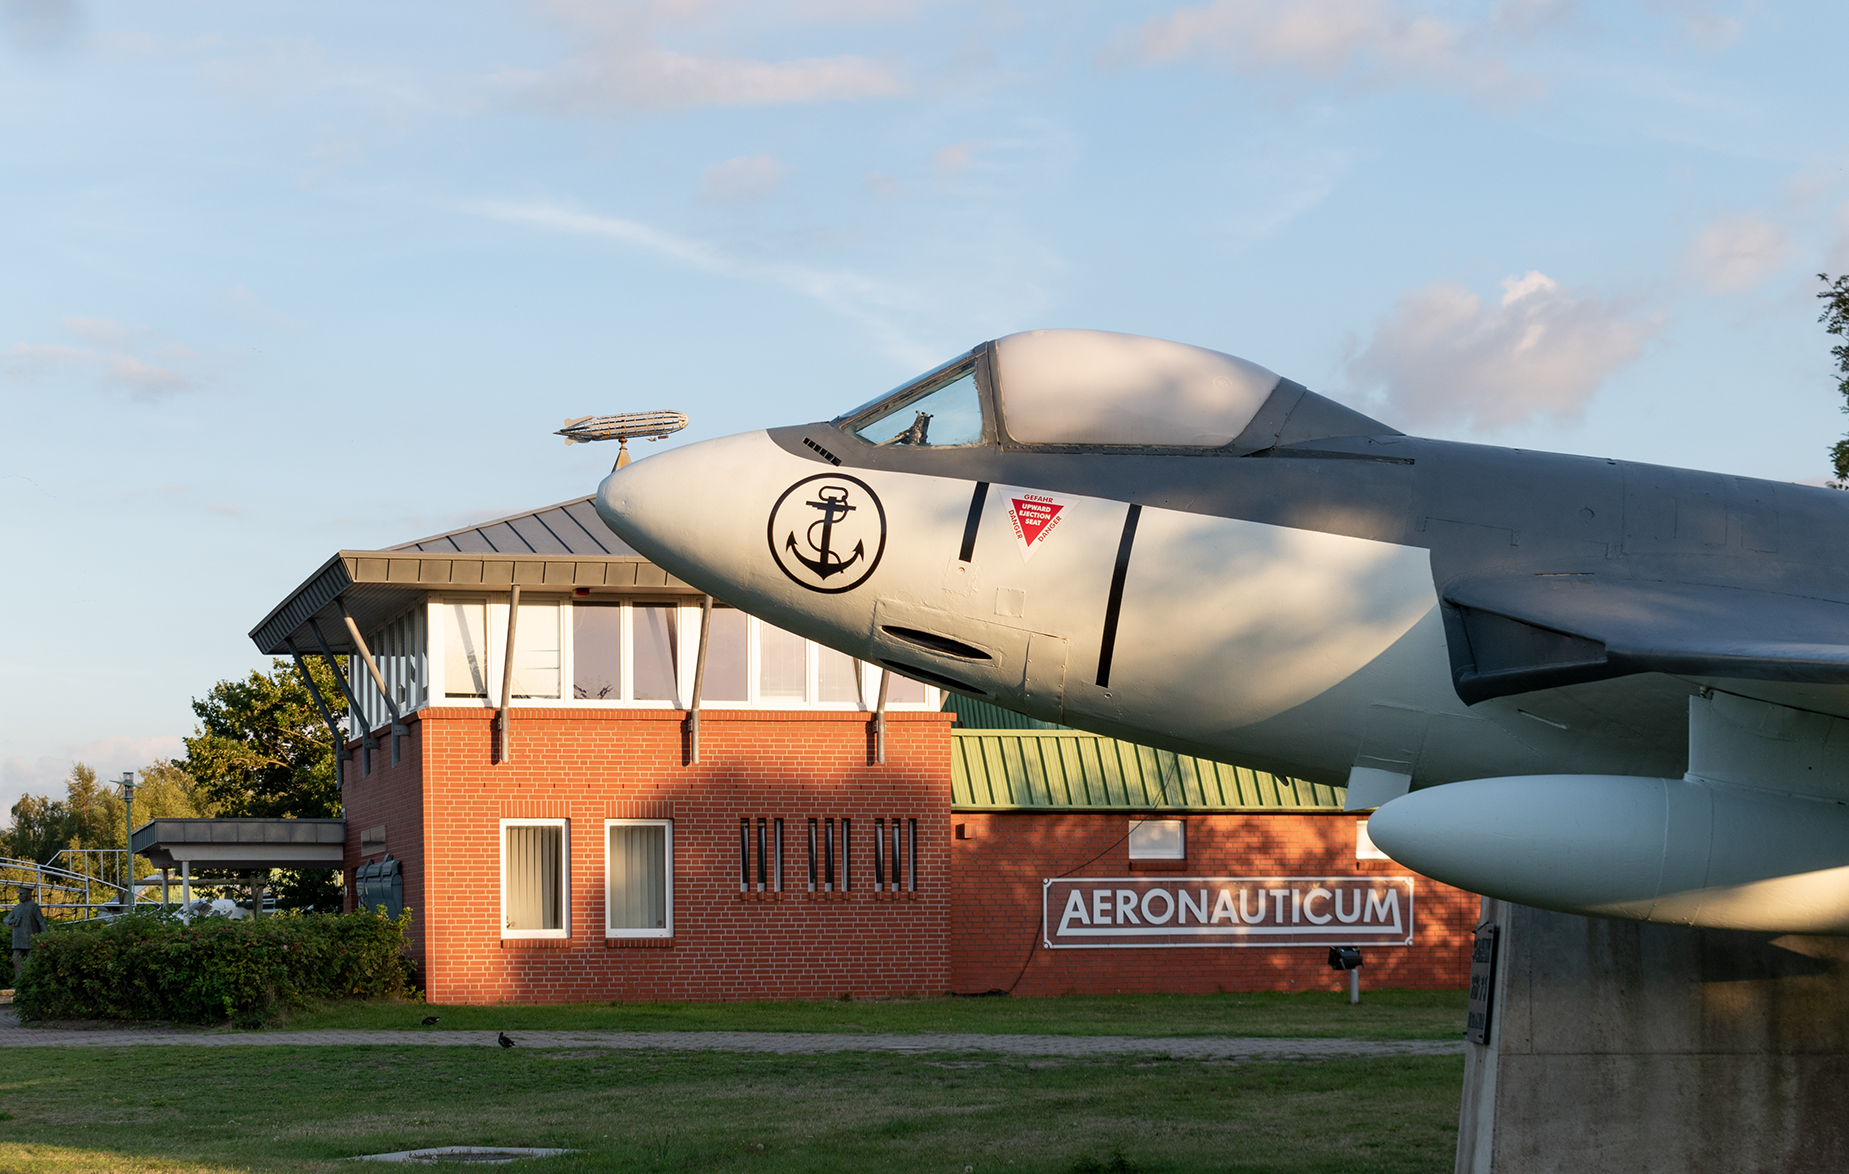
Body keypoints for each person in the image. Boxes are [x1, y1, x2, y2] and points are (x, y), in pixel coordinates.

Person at [5, 887, 49, 985]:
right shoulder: (17, 908)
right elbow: (6, 919)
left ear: (28, 895)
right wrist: (11, 921)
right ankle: (20, 982)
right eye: (19, 894)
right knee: (16, 959)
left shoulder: (34, 906)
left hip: (31, 938)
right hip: (18, 939)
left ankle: (31, 983)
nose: (19, 896)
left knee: (31, 961)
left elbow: (42, 922)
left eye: (21, 894)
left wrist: (47, 936)